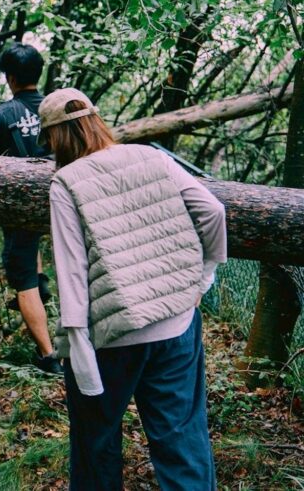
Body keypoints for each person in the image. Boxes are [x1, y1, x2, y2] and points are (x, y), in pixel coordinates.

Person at [40, 87, 226, 491]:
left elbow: (72, 273)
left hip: (113, 337)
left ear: (56, 137)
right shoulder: (152, 156)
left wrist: (79, 351)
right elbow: (213, 211)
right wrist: (203, 276)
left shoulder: (65, 183)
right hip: (177, 323)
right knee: (181, 439)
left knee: (96, 443)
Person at [0, 43, 61, 374]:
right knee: (33, 250)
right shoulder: (57, 109)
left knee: (22, 279)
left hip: (21, 207)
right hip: (63, 200)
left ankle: (48, 355)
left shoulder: (0, 117)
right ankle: (42, 285)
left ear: (10, 78)